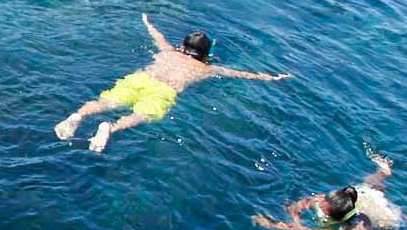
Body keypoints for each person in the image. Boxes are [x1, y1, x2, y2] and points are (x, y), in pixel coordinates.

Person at [54, 12, 290, 153]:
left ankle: (77, 116)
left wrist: (147, 21)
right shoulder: (205, 69)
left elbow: (157, 36)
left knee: (106, 101)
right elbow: (241, 74)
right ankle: (111, 128)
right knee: (143, 115)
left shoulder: (168, 52)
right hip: (164, 92)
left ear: (183, 46)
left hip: (142, 78)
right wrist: (272, 78)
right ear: (205, 55)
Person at [254, 152, 407, 230]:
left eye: (324, 209)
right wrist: (294, 213)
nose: (319, 204)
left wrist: (271, 224)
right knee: (371, 184)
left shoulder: (360, 229)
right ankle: (384, 172)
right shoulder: (333, 199)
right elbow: (302, 204)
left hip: (384, 215)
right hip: (365, 196)